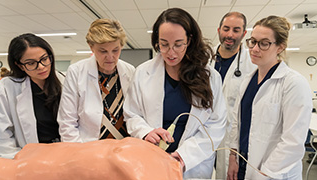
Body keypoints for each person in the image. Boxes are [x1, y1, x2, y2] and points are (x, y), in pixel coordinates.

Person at [123, 8, 227, 179]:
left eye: (178, 44)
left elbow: (216, 125)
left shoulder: (209, 77)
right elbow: (132, 114)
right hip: (153, 160)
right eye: (164, 44)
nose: (171, 52)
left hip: (193, 164)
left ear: (190, 40)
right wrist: (145, 132)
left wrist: (184, 156)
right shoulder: (143, 72)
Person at [227, 16, 312, 180]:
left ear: (280, 47)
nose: (255, 49)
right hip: (244, 163)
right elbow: (238, 123)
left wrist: (264, 174)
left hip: (274, 172)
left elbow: (292, 143)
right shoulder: (247, 80)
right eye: (252, 41)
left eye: (264, 43)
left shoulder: (293, 83)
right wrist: (232, 155)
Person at [57, 19, 135, 142]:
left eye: (115, 50)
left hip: (124, 147)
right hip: (89, 148)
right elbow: (67, 122)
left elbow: (135, 114)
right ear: (91, 47)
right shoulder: (76, 72)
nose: (110, 57)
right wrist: (80, 152)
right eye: (103, 51)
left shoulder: (130, 71)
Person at [0, 33, 62, 159]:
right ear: (19, 65)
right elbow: (1, 135)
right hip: (31, 160)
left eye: (44, 59)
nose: (41, 67)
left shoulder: (63, 81)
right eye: (31, 63)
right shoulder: (6, 88)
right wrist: (21, 159)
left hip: (66, 154)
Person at [213, 12, 256, 179]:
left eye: (236, 30)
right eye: (226, 29)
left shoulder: (251, 64)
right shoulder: (203, 59)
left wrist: (235, 151)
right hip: (204, 131)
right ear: (219, 30)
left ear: (244, 34)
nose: (230, 34)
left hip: (232, 136)